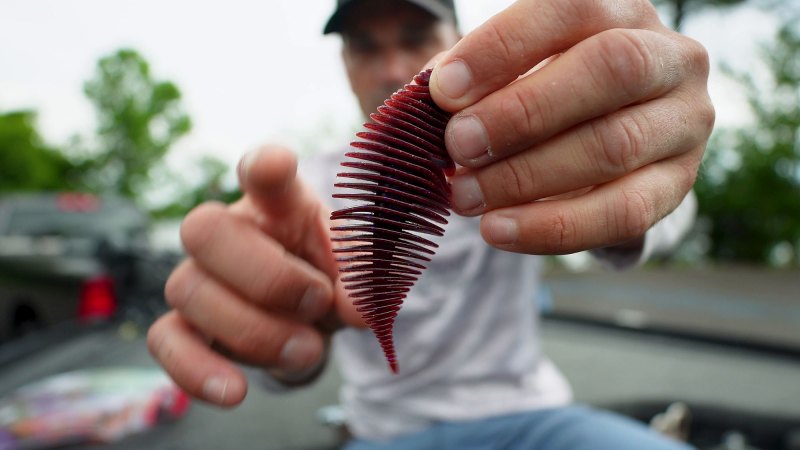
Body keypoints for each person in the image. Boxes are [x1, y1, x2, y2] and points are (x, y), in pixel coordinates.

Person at [147, 0, 713, 448]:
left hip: (533, 416)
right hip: (385, 433)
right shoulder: (310, 191)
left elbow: (670, 216)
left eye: (415, 39)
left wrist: (633, 184)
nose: (392, 68)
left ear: (460, 44)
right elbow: (278, 356)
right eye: (366, 48)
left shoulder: (524, 151)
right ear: (345, 64)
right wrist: (270, 330)